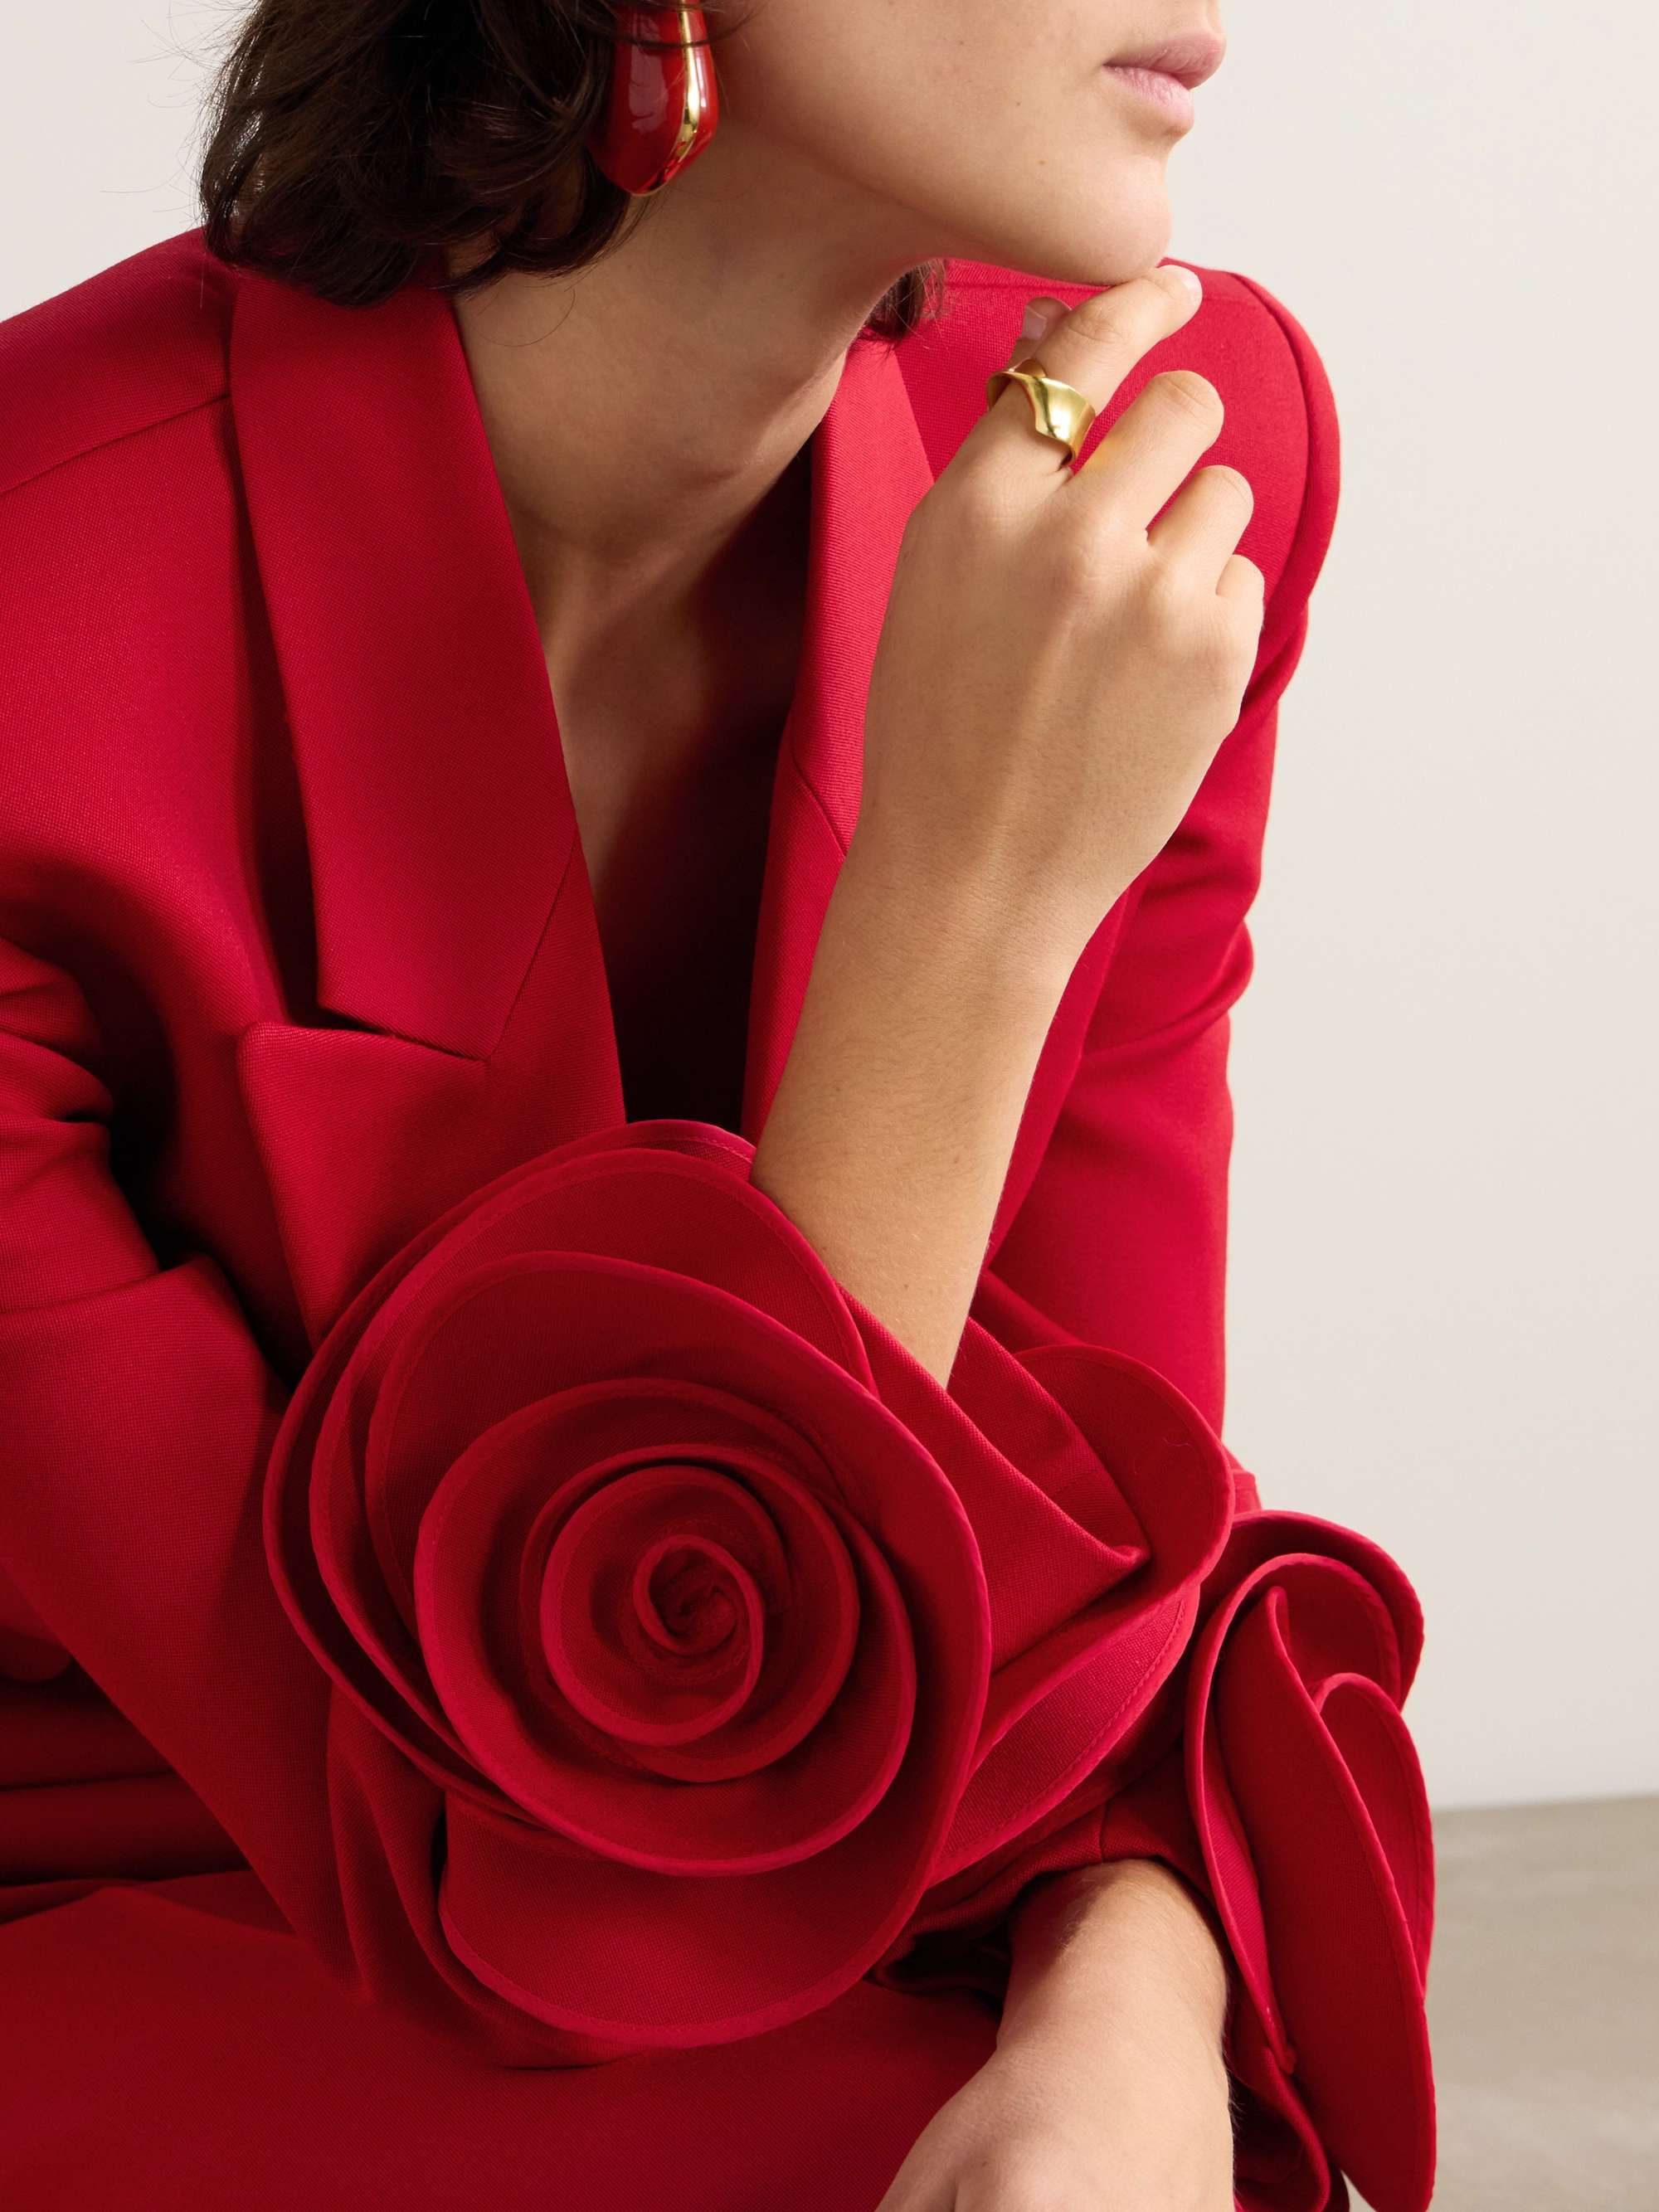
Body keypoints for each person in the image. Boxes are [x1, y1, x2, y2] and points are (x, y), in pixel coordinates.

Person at [0, 4, 1437, 2208]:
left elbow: (1108, 1556)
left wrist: (1125, 2009)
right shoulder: (37, 605)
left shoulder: (1146, 466)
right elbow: (534, 1895)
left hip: (796, 1874)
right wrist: (959, 903)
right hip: (161, 1907)